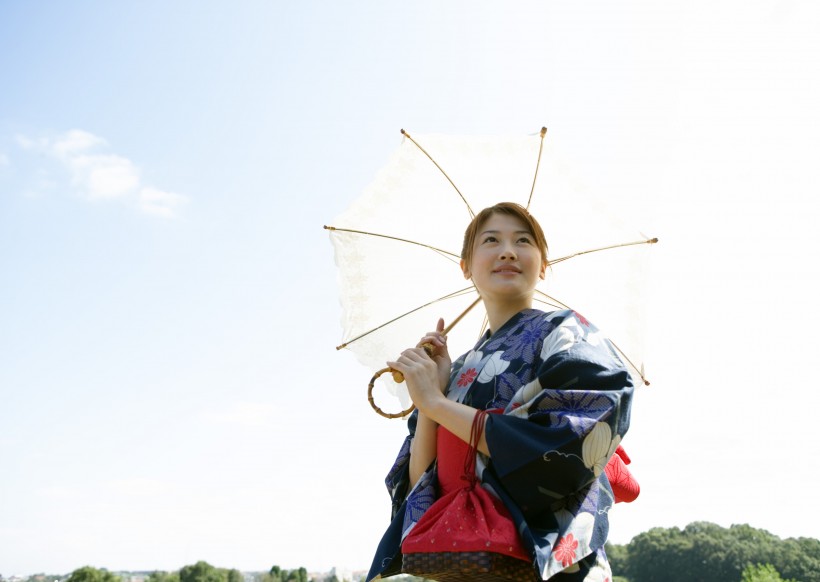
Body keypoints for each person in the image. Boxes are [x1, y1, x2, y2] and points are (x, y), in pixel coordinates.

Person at [366, 202, 636, 581]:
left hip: (550, 561)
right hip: (468, 563)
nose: (508, 250)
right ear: (466, 266)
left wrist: (438, 403)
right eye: (491, 240)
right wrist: (432, 398)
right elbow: (421, 485)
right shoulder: (456, 369)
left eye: (522, 241)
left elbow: (572, 441)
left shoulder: (568, 334)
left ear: (542, 265)